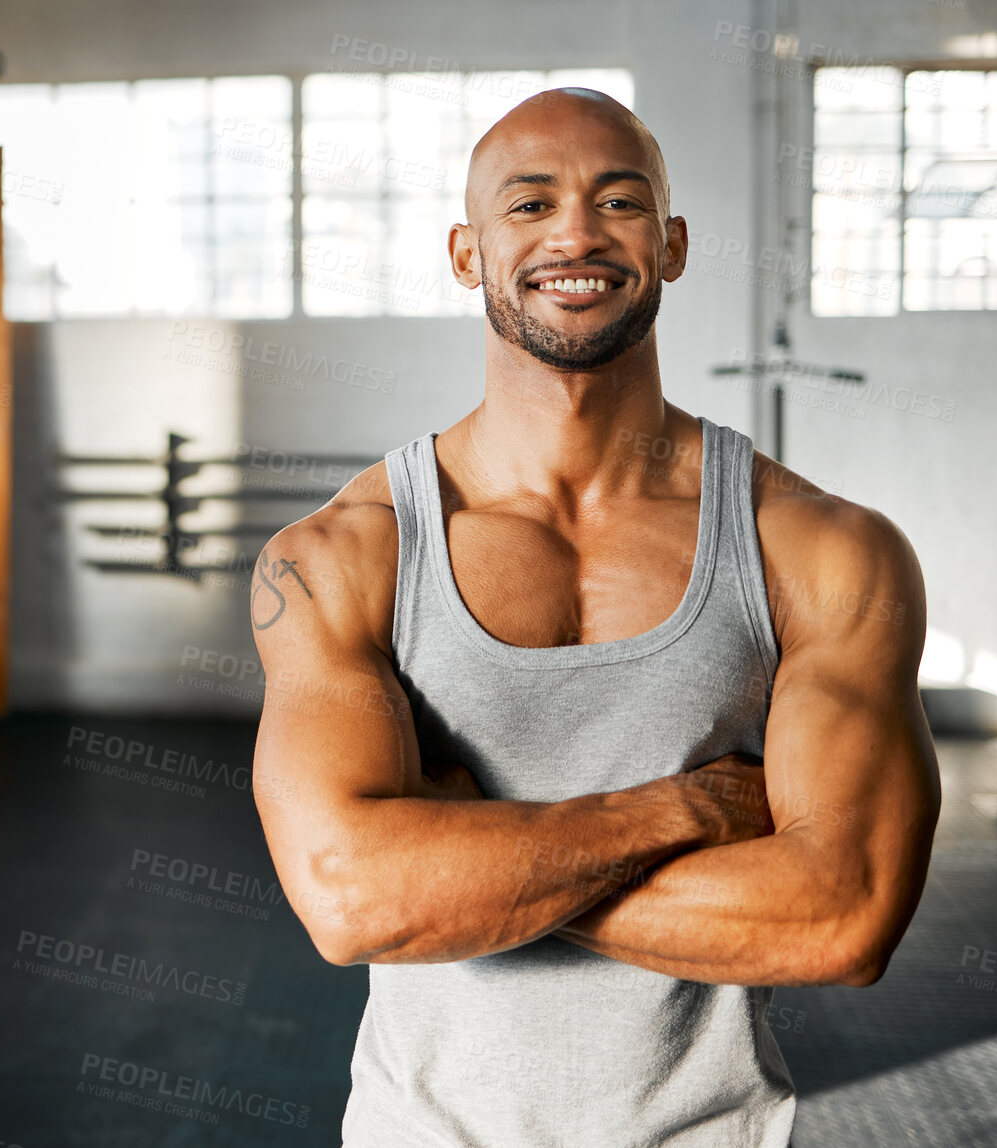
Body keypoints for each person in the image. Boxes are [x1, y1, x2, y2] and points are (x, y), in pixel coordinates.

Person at [247, 87, 941, 1147]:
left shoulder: (822, 550)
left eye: (616, 202)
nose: (574, 232)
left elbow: (840, 914)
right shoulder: (345, 554)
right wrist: (684, 812)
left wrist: (457, 866)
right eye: (527, 205)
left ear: (669, 244)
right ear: (465, 251)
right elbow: (351, 899)